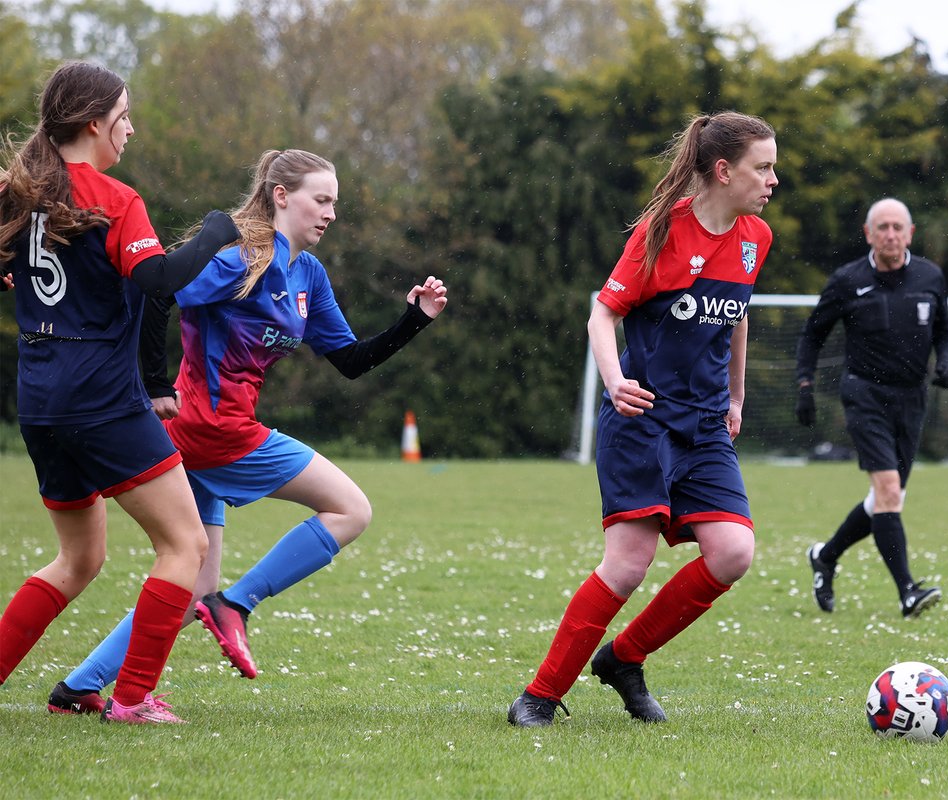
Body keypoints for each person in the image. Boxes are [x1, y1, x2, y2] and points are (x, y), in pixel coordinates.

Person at [47, 148, 447, 711]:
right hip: (214, 429)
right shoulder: (241, 257)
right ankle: (238, 605)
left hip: (204, 433)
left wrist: (414, 320)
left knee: (188, 586)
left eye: (335, 202)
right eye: (321, 199)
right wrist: (154, 382)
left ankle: (79, 686)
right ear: (282, 195)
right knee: (351, 510)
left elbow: (351, 360)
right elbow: (159, 289)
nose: (330, 213)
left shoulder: (308, 273)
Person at [508, 111, 778, 727]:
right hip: (644, 417)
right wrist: (615, 382)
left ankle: (624, 659)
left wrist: (736, 398)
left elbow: (736, 317)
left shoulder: (755, 237)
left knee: (733, 552)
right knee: (629, 563)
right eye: (762, 167)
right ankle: (539, 696)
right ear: (722, 170)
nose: (772, 179)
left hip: (706, 423)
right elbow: (602, 316)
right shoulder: (660, 232)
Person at [0, 61, 239, 724]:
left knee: (78, 559)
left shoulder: (19, 194)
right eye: (124, 116)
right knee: (186, 545)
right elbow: (158, 277)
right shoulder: (112, 196)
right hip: (99, 396)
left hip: (40, 397)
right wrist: (218, 232)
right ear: (91, 123)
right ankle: (132, 699)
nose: (129, 129)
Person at [794, 197, 948, 619]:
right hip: (865, 395)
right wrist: (804, 385)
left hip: (912, 399)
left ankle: (825, 556)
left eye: (897, 227)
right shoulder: (848, 280)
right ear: (868, 233)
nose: (890, 234)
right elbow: (812, 335)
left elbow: (946, 333)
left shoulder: (930, 276)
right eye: (881, 227)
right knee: (887, 492)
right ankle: (907, 591)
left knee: (887, 498)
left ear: (910, 233)